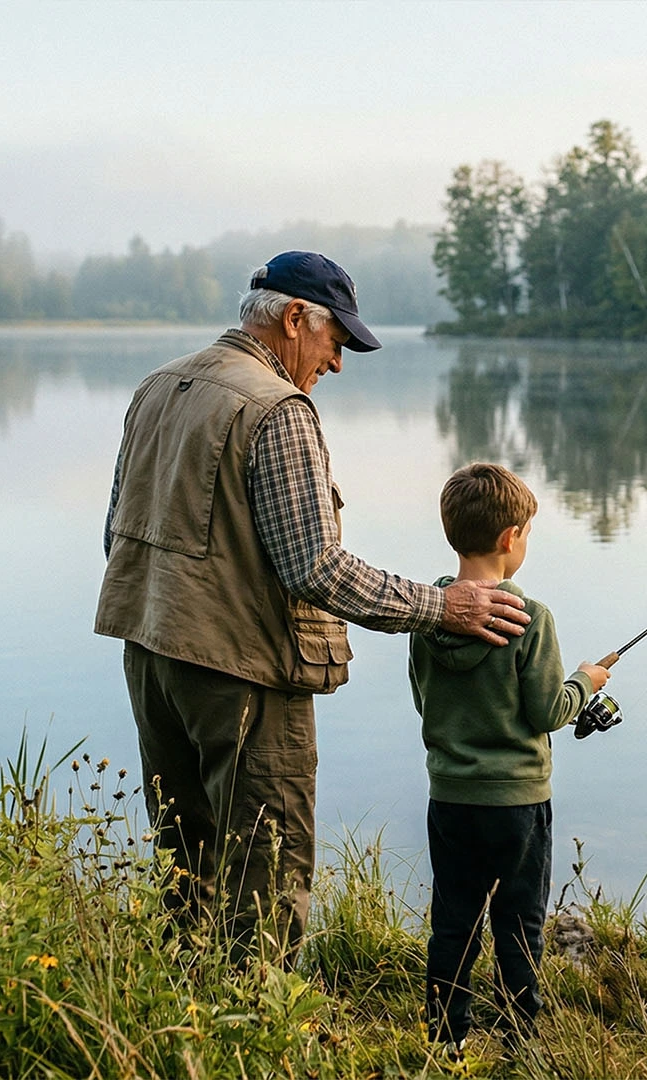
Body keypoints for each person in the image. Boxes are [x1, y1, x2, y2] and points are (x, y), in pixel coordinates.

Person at [95, 251, 532, 957]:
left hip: (150, 658)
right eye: (336, 342)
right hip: (243, 674)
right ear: (294, 318)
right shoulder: (279, 409)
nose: (336, 364)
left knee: (186, 868)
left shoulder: (158, 387)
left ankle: (180, 1030)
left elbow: (114, 531)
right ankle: (256, 1040)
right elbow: (315, 567)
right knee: (267, 874)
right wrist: (444, 607)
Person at [408, 462, 612, 1051]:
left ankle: (446, 1041)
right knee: (519, 925)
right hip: (519, 804)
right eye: (527, 534)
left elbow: (424, 700)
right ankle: (520, 1041)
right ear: (509, 539)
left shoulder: (425, 617)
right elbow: (550, 711)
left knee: (454, 923)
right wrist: (585, 680)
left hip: (450, 798)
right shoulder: (532, 618)